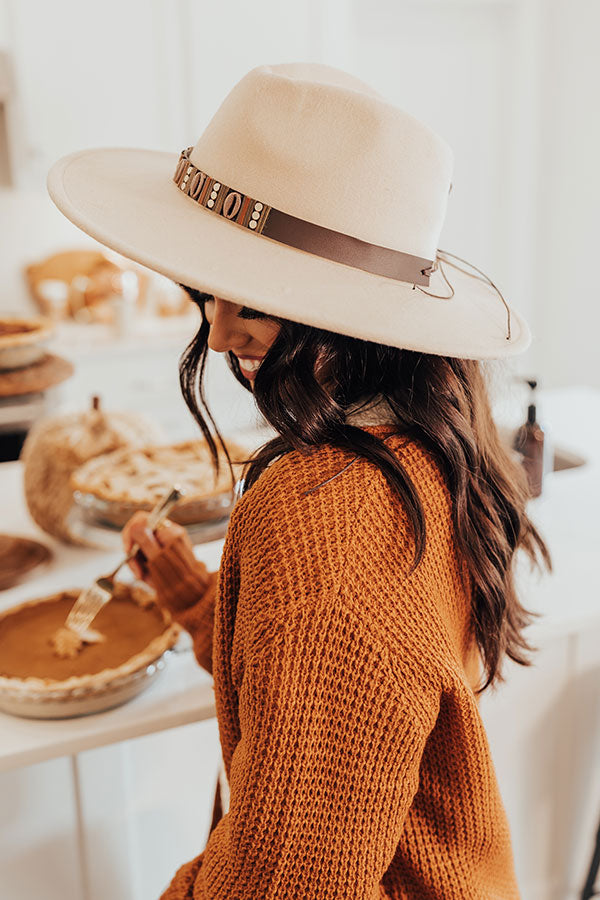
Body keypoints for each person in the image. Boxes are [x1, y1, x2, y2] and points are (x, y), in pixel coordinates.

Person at [48, 61, 551, 900]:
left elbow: (289, 883)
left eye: (253, 299)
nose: (218, 333)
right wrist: (207, 611)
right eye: (208, 290)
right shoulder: (437, 440)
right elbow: (338, 699)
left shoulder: (325, 514)